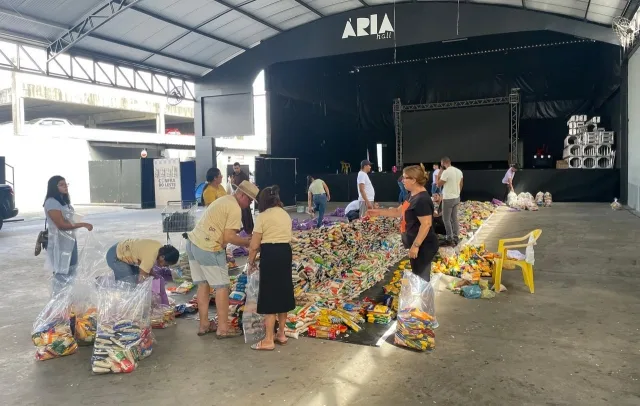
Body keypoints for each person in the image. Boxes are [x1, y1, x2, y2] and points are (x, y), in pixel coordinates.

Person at [186, 180, 258, 337]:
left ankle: (204, 324)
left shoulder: (224, 200)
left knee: (203, 284)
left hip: (193, 243)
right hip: (208, 247)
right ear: (241, 195)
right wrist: (249, 242)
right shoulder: (234, 207)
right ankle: (223, 328)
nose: (250, 203)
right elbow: (229, 237)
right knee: (222, 287)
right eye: (250, 200)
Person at [368, 165, 439, 281]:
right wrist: (378, 212)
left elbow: (426, 224)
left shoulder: (422, 200)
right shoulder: (411, 195)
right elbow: (398, 211)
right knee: (418, 276)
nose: (402, 180)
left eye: (405, 178)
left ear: (414, 180)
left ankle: (423, 298)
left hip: (424, 246)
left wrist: (415, 246)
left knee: (421, 279)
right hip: (417, 244)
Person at [247, 185, 295, 351]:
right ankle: (281, 333)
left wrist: (250, 262)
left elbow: (254, 245)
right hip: (285, 253)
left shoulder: (263, 216)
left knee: (269, 295)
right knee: (283, 292)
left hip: (271, 254)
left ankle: (268, 339)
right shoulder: (285, 214)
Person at [43, 176, 93, 293]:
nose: (65, 186)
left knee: (72, 270)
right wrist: (83, 224)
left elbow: (68, 219)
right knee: (61, 271)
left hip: (70, 240)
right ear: (54, 187)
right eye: (61, 184)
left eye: (66, 184)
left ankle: (67, 300)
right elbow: (61, 224)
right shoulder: (51, 202)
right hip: (58, 242)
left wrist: (76, 221)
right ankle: (59, 301)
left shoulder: (64, 201)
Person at [106, 239, 179, 285]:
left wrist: (154, 276)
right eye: (166, 264)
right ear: (162, 257)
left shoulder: (159, 248)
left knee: (135, 275)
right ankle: (104, 285)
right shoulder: (151, 256)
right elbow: (142, 278)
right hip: (115, 256)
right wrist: (141, 292)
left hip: (121, 248)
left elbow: (147, 267)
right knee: (128, 283)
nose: (164, 266)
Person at [437, 157, 463, 246]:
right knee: (454, 218)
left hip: (448, 199)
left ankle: (449, 238)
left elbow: (438, 184)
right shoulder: (459, 171)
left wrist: (439, 172)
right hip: (456, 197)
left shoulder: (446, 172)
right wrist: (457, 193)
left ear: (443, 164)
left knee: (446, 219)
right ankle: (456, 236)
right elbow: (461, 184)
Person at [230, 162, 254, 235]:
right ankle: (243, 228)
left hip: (244, 196)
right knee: (240, 213)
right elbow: (232, 185)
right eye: (234, 168)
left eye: (237, 168)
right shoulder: (233, 175)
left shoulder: (244, 176)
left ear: (239, 167)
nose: (236, 170)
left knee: (246, 212)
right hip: (236, 196)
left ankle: (248, 229)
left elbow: (246, 186)